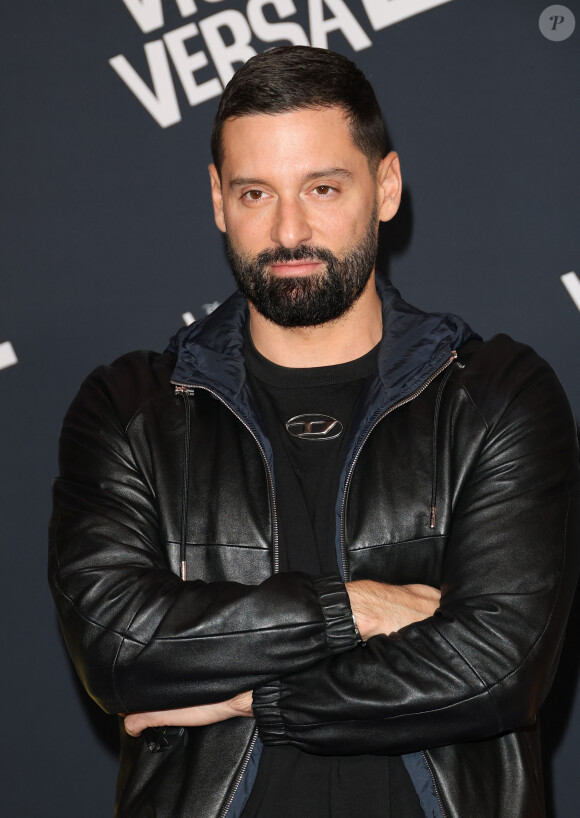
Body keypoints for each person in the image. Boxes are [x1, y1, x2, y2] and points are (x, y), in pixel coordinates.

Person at [49, 46, 580, 818]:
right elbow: (120, 648)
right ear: (218, 200)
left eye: (323, 188)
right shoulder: (133, 410)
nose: (289, 230)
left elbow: (497, 670)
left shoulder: (496, 395)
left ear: (386, 188)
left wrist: (245, 701)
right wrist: (354, 608)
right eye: (255, 192)